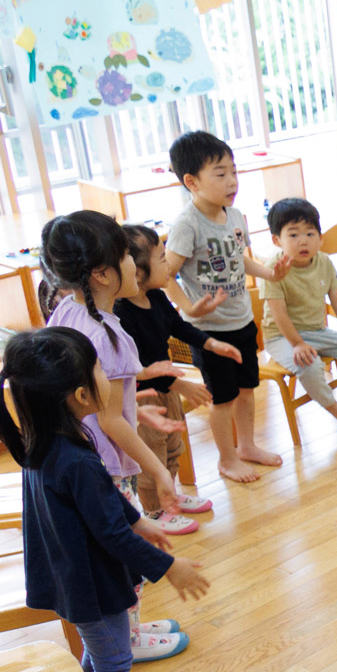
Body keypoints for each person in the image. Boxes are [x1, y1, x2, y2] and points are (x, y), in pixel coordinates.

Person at [0, 328, 210, 672]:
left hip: (72, 575)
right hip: (90, 580)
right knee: (114, 662)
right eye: (97, 369)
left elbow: (102, 507)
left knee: (100, 654)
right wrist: (170, 567)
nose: (105, 375)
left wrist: (139, 520)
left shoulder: (50, 442)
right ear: (80, 395)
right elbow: (111, 534)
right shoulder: (76, 457)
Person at [43, 211, 194, 664]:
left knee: (118, 559)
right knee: (123, 560)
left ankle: (128, 628)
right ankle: (125, 640)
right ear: (103, 273)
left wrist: (138, 402)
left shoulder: (70, 310)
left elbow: (99, 398)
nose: (135, 263)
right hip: (105, 465)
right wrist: (157, 471)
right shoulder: (105, 333)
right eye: (128, 255)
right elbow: (110, 420)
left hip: (79, 453)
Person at [163, 130, 292, 483]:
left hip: (242, 322)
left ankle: (246, 446)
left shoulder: (235, 216)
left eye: (233, 172)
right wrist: (189, 308)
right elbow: (166, 274)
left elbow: (240, 260)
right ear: (191, 181)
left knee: (248, 389)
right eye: (220, 174)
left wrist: (270, 272)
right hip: (210, 332)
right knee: (222, 399)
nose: (232, 181)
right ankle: (226, 459)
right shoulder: (187, 225)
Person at [116, 223, 232, 532]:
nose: (169, 264)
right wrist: (180, 384)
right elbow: (136, 365)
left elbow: (178, 327)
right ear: (138, 271)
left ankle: (171, 497)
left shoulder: (156, 297)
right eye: (161, 258)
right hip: (142, 397)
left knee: (171, 447)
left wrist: (211, 343)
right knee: (151, 453)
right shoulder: (121, 312)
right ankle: (153, 512)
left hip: (166, 386)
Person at [260, 198, 337, 434]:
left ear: (320, 238)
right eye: (293, 235)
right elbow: (279, 315)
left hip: (317, 332)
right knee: (309, 365)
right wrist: (298, 343)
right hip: (282, 337)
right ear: (276, 240)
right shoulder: (274, 269)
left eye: (310, 234)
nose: (303, 241)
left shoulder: (323, 262)